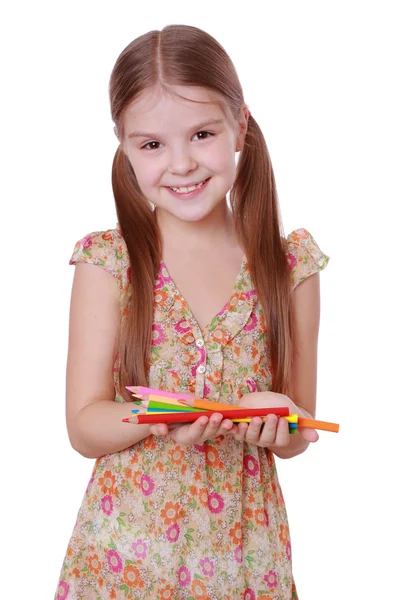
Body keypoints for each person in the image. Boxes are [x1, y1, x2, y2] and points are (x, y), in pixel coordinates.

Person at [55, 24, 329, 600]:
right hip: (124, 560)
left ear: (240, 126)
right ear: (125, 148)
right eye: (151, 144)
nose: (180, 164)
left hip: (245, 557)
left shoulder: (290, 267)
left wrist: (281, 419)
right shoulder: (110, 262)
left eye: (202, 134)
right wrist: (160, 416)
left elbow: (300, 431)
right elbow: (83, 424)